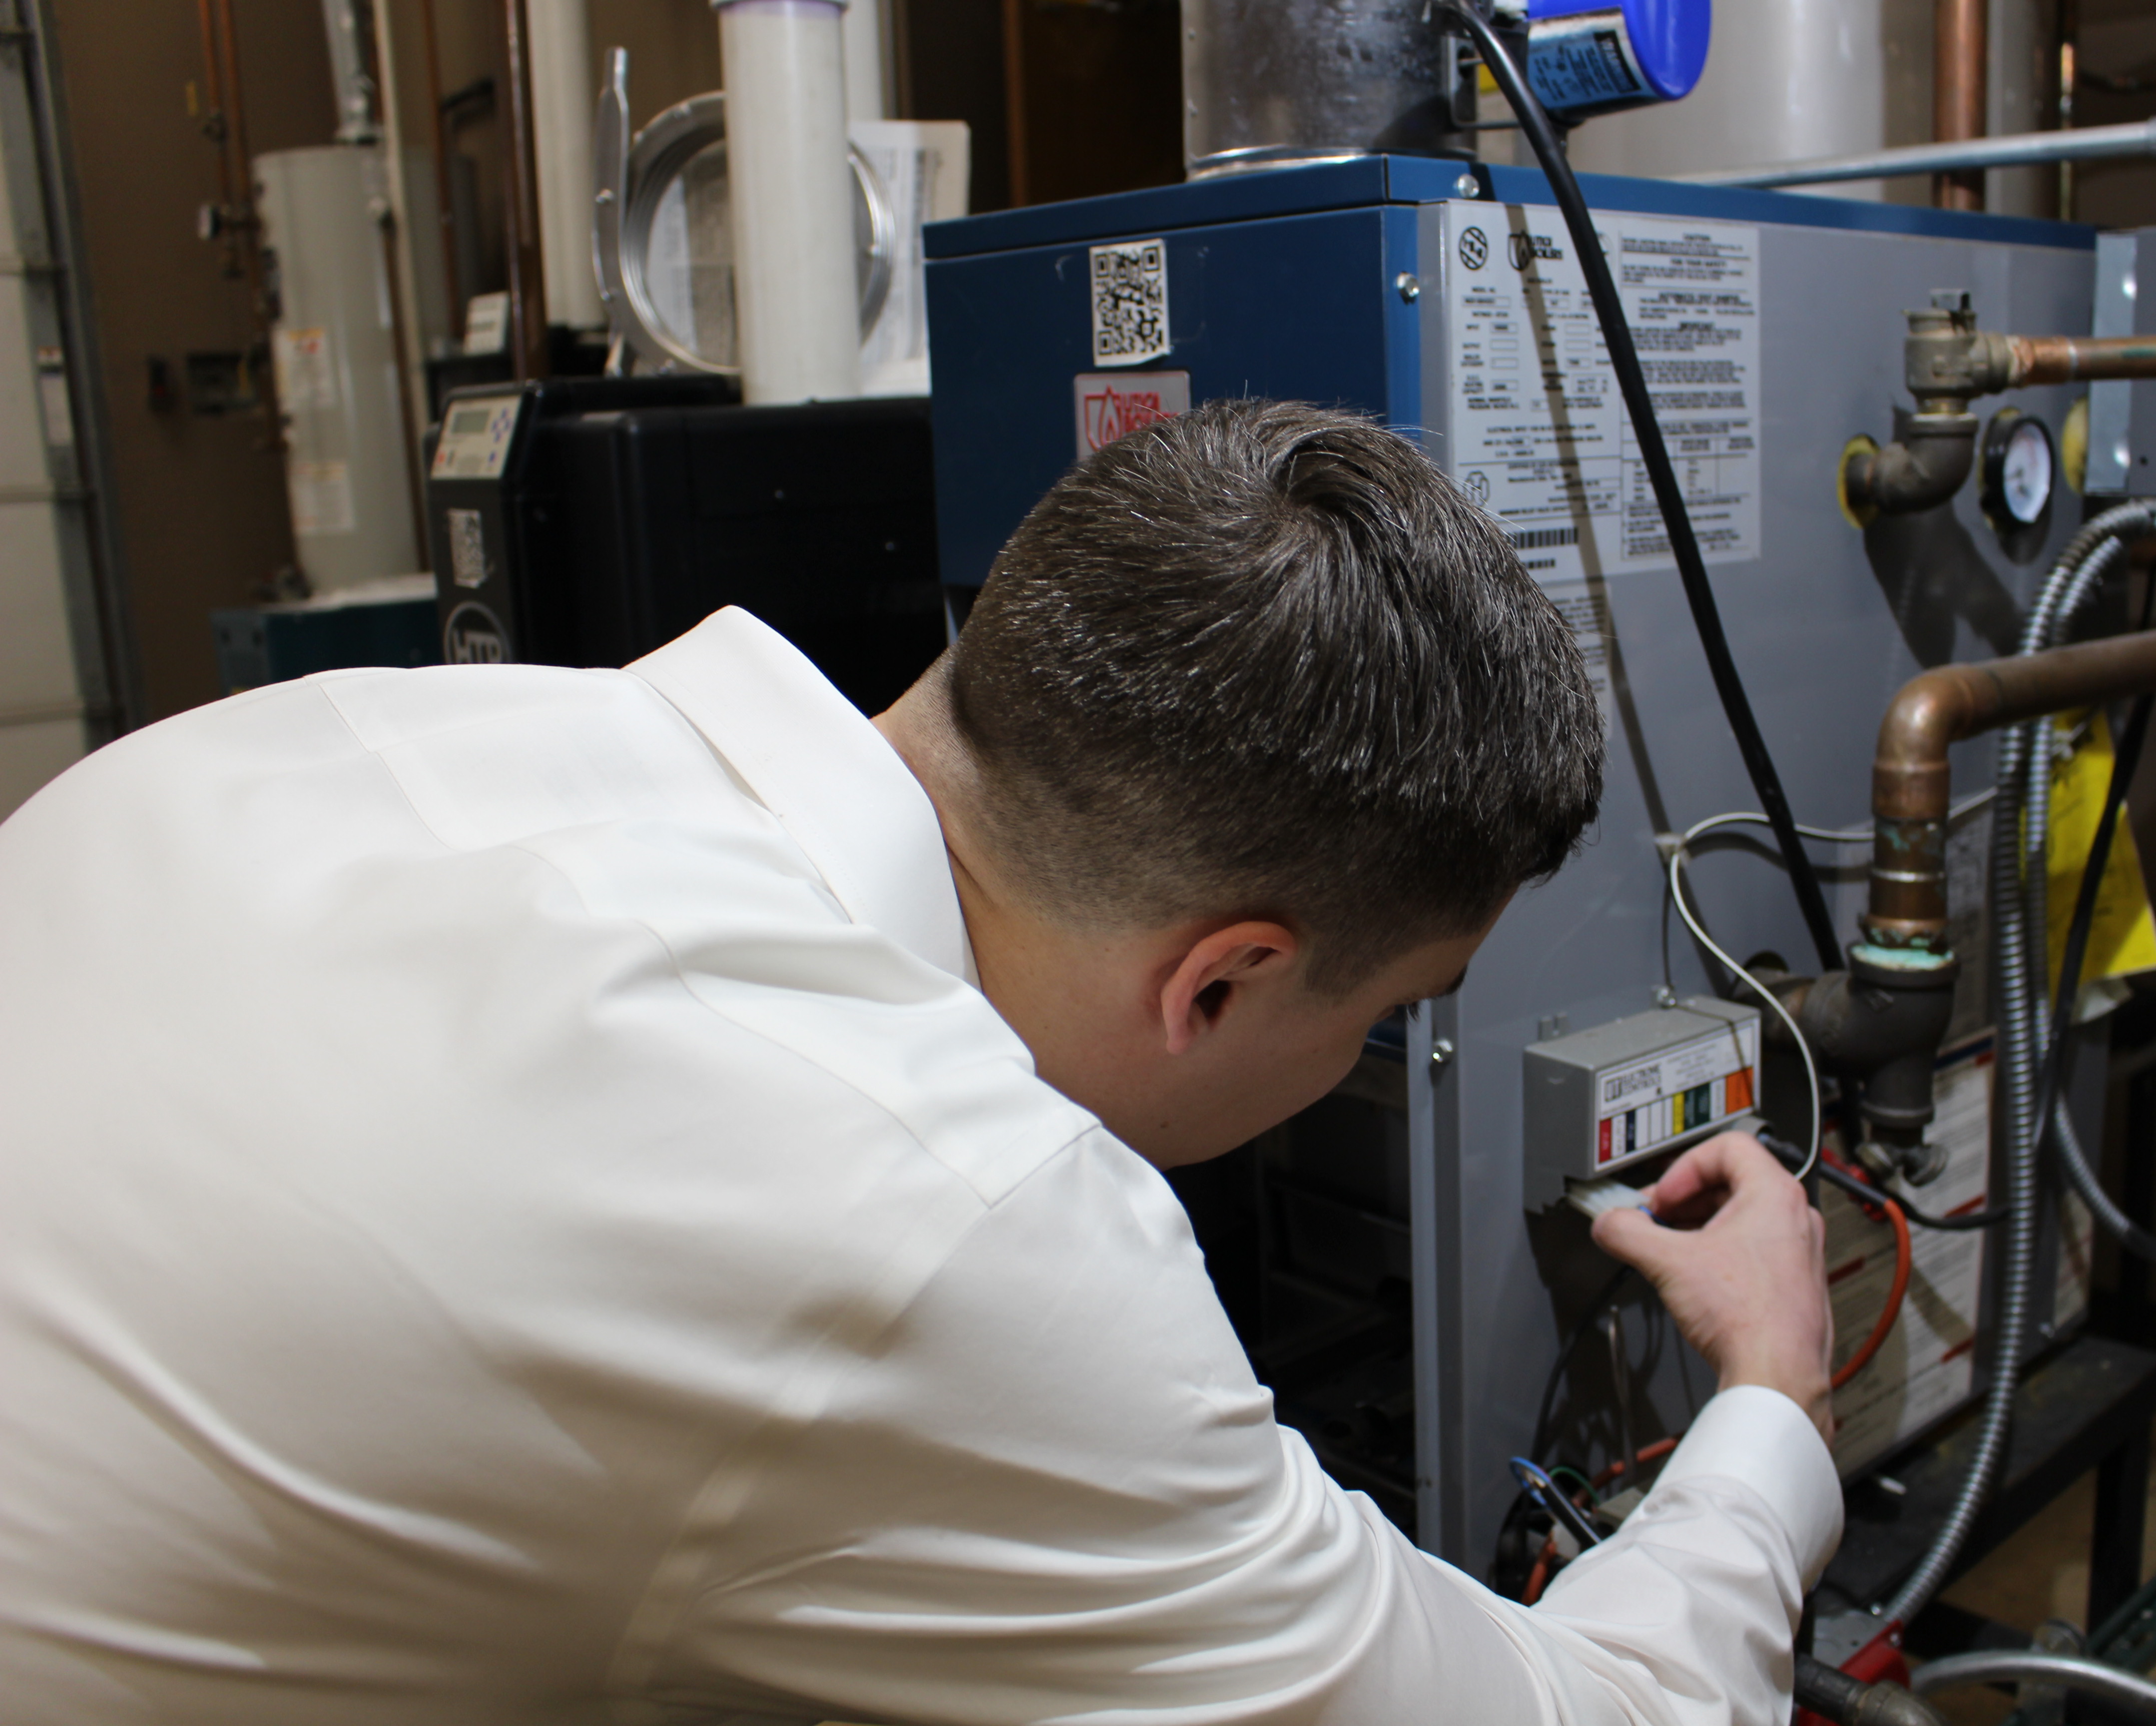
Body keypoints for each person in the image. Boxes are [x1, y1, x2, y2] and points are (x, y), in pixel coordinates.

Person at [0, 400, 1836, 1725]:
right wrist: (1769, 1385)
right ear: (1219, 984)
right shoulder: (939, 1224)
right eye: (1383, 1016)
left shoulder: (340, 738)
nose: (1373, 1052)